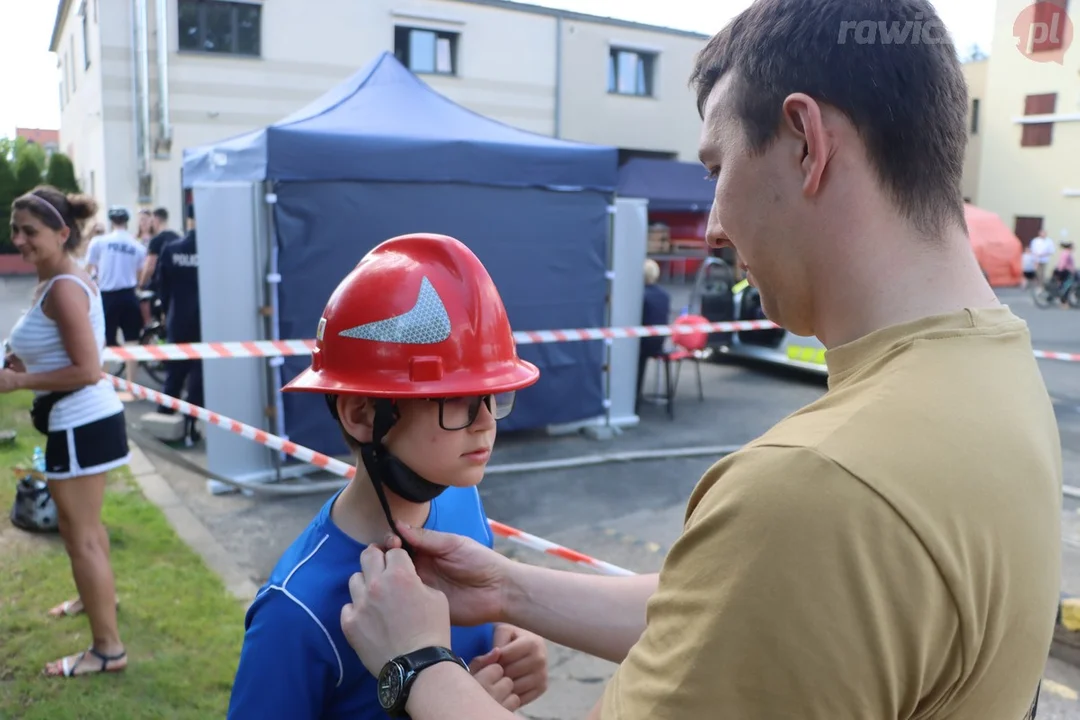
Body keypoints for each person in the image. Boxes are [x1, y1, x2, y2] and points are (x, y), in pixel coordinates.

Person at [333, 1, 1062, 718]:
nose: (713, 224)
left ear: (807, 141)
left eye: (717, 166)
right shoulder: (994, 368)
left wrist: (417, 666)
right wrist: (508, 589)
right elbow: (743, 618)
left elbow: (779, 578)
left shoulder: (818, 489)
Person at [226, 233, 550, 719]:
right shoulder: (295, 612)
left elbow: (478, 625)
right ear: (361, 414)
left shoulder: (462, 501)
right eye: (456, 401)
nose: (486, 421)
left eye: (493, 395)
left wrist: (509, 636)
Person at [4, 185, 131, 677]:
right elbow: (63, 351)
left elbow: (87, 368)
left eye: (30, 231)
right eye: (15, 230)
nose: (19, 239)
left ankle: (107, 650)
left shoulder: (62, 285)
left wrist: (18, 379)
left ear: (61, 232)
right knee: (86, 529)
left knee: (80, 537)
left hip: (80, 420)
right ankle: (94, 597)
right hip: (78, 421)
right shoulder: (54, 280)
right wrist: (25, 359)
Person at [85, 206, 147, 392]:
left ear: (111, 222)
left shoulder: (99, 242)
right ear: (127, 222)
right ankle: (131, 385)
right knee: (132, 340)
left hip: (107, 296)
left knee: (104, 340)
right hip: (128, 294)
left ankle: (104, 384)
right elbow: (139, 272)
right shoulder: (137, 246)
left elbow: (88, 269)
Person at [154, 207, 202, 442]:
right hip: (207, 322)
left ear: (189, 220)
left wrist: (164, 312)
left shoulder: (172, 250)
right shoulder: (216, 251)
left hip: (179, 318)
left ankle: (165, 415)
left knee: (175, 371)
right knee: (199, 376)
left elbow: (162, 287)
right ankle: (192, 424)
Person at [635, 259, 671, 414]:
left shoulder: (639, 295)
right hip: (659, 343)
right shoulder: (665, 295)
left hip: (642, 344)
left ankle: (633, 398)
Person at [138, 207, 180, 324]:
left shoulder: (156, 240)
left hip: (158, 287)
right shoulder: (177, 237)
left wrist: (141, 284)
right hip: (175, 286)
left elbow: (150, 266)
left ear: (156, 220)